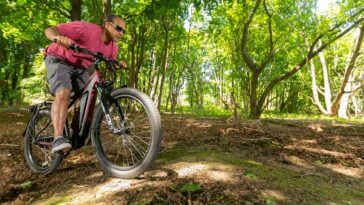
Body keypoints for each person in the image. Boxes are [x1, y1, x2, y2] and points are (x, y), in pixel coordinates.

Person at [44, 15, 126, 153]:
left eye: (124, 31)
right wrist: (58, 38)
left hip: (80, 67)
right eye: (119, 28)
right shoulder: (85, 29)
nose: (121, 33)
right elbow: (50, 30)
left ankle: (77, 134)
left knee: (90, 93)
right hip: (59, 59)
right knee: (64, 92)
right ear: (107, 25)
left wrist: (117, 64)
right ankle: (58, 137)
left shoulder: (113, 48)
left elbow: (109, 62)